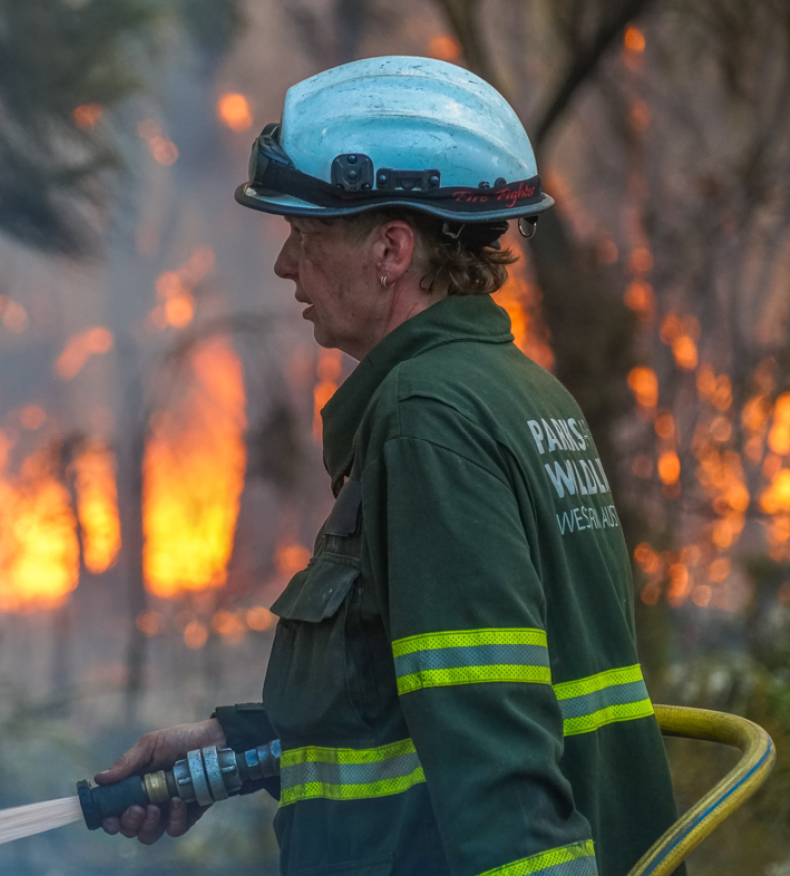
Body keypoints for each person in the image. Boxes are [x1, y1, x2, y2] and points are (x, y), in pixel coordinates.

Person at [94, 56, 681, 876]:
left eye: (305, 235)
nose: (285, 265)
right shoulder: (518, 393)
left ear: (391, 250)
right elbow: (425, 702)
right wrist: (242, 747)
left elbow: (496, 757)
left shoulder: (425, 421)